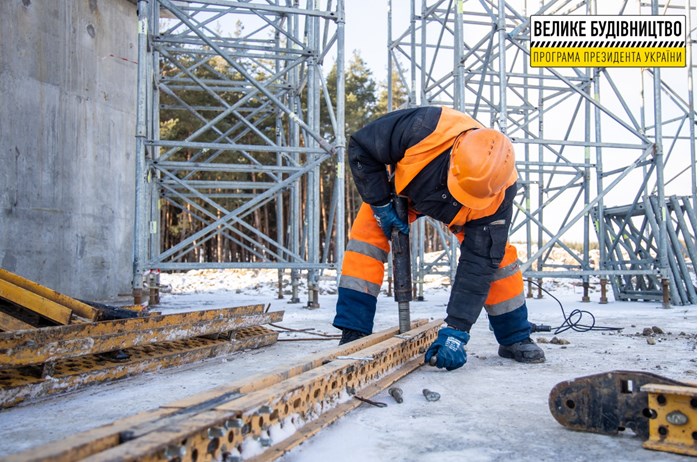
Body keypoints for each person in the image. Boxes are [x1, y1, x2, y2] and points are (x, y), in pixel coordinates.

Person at [332, 106, 546, 370]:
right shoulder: (424, 127)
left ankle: (515, 336)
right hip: (405, 193)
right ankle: (354, 329)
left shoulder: (499, 194)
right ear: (455, 156)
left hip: (465, 215)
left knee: (498, 259)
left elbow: (478, 264)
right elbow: (362, 148)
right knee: (367, 236)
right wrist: (379, 203)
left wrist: (457, 329)